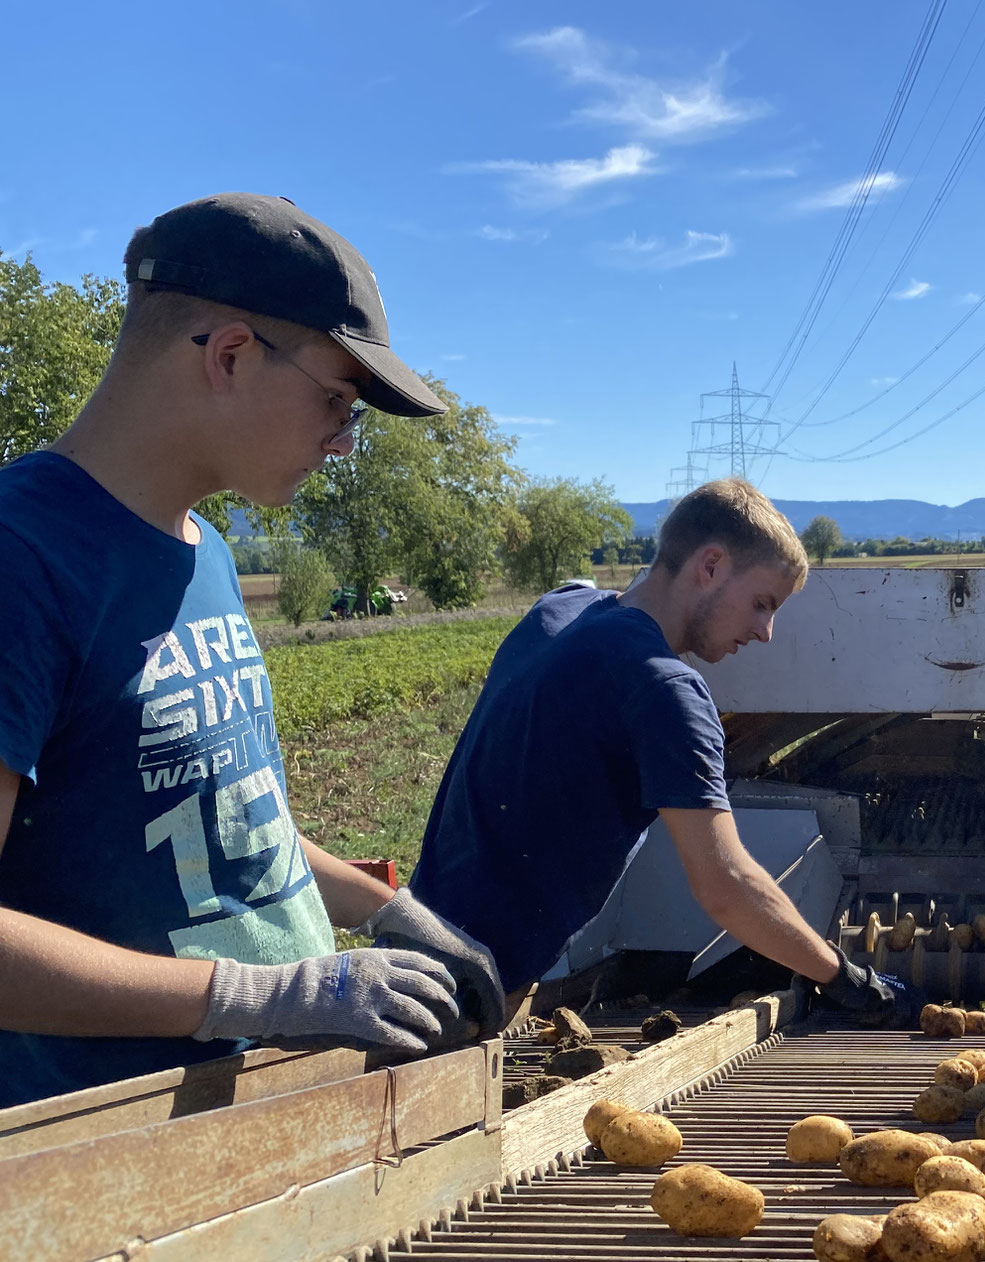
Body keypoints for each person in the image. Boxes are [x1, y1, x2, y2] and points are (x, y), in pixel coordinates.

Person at [0, 193, 502, 1110]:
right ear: (231, 355)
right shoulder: (22, 557)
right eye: (338, 402)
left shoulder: (208, 552)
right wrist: (257, 995)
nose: (344, 442)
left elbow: (225, 824)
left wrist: (382, 909)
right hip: (101, 1152)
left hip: (254, 1109)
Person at [409, 478, 907, 1021]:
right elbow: (726, 886)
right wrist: (849, 980)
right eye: (762, 604)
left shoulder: (560, 610)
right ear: (710, 565)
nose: (766, 632)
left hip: (412, 945)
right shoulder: (664, 690)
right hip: (467, 992)